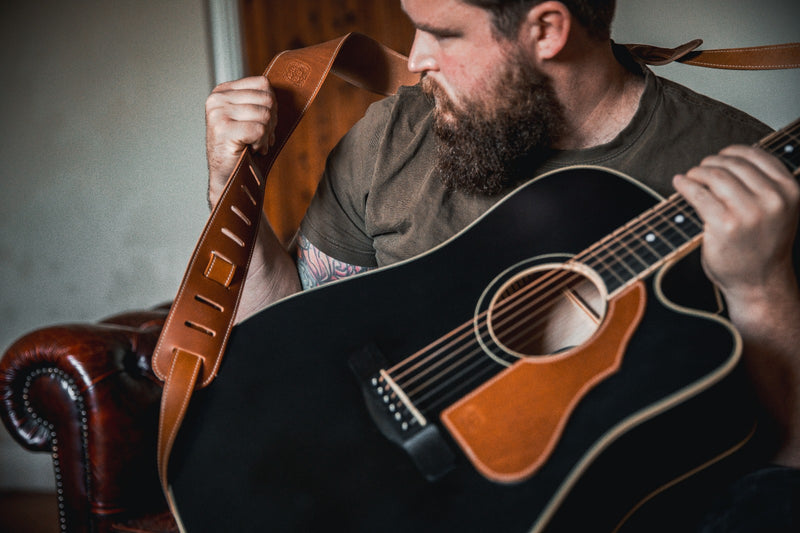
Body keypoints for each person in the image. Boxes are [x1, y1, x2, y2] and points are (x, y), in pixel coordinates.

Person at [200, 0, 799, 529]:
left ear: (545, 29)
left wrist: (759, 283)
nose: (415, 59)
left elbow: (783, 473)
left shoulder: (743, 172)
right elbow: (282, 352)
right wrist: (234, 191)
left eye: (444, 33)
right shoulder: (390, 139)